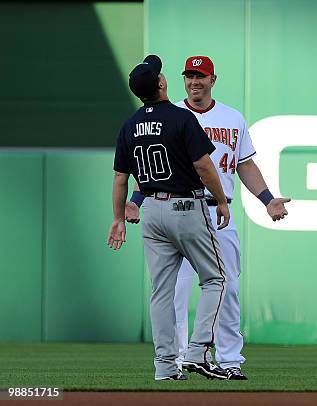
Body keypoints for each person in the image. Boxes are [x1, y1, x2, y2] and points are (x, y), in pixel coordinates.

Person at [125, 55, 290, 380]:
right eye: (189, 76)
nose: (194, 81)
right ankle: (184, 359)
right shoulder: (170, 115)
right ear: (181, 79)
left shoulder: (232, 118)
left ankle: (228, 360)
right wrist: (137, 199)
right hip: (183, 208)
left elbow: (244, 164)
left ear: (213, 79)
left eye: (200, 76)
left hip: (218, 213)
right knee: (176, 292)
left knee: (227, 290)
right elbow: (155, 168)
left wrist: (268, 200)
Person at [108, 55, 231, 381]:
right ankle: (196, 352)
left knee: (161, 292)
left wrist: (118, 219)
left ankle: (164, 367)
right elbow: (204, 167)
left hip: (151, 210)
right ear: (161, 84)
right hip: (186, 209)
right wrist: (221, 200)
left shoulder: (129, 125)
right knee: (216, 279)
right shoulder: (181, 118)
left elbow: (121, 178)